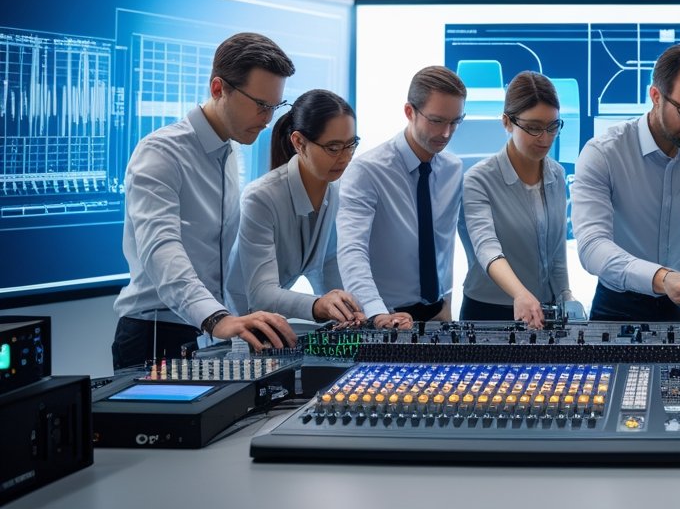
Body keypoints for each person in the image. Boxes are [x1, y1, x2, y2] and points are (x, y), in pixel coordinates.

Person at [112, 32, 299, 369]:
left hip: (207, 332)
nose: (269, 118)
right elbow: (162, 250)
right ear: (218, 89)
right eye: (261, 105)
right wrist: (215, 317)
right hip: (155, 334)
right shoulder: (161, 153)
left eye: (275, 106)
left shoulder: (231, 151)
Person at [572, 43, 680, 322]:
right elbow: (592, 246)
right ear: (656, 96)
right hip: (617, 302)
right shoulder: (603, 153)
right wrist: (663, 278)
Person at [337, 66, 466, 328]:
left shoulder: (453, 169)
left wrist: (447, 303)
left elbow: (444, 244)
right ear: (409, 112)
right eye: (437, 120)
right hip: (386, 318)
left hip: (438, 317)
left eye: (455, 122)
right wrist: (377, 313)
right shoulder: (367, 171)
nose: (446, 133)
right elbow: (352, 250)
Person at [225, 89, 364, 324]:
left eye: (351, 145)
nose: (345, 157)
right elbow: (261, 293)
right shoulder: (260, 197)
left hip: (271, 325)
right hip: (234, 321)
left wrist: (360, 312)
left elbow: (332, 278)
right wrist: (319, 305)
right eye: (333, 148)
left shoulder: (336, 193)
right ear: (299, 142)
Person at [458, 72, 572, 328]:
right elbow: (487, 247)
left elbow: (556, 254)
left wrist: (566, 296)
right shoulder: (479, 179)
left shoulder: (556, 174)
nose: (545, 138)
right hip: (489, 312)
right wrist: (519, 293)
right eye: (533, 127)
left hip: (543, 311)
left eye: (552, 126)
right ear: (507, 123)